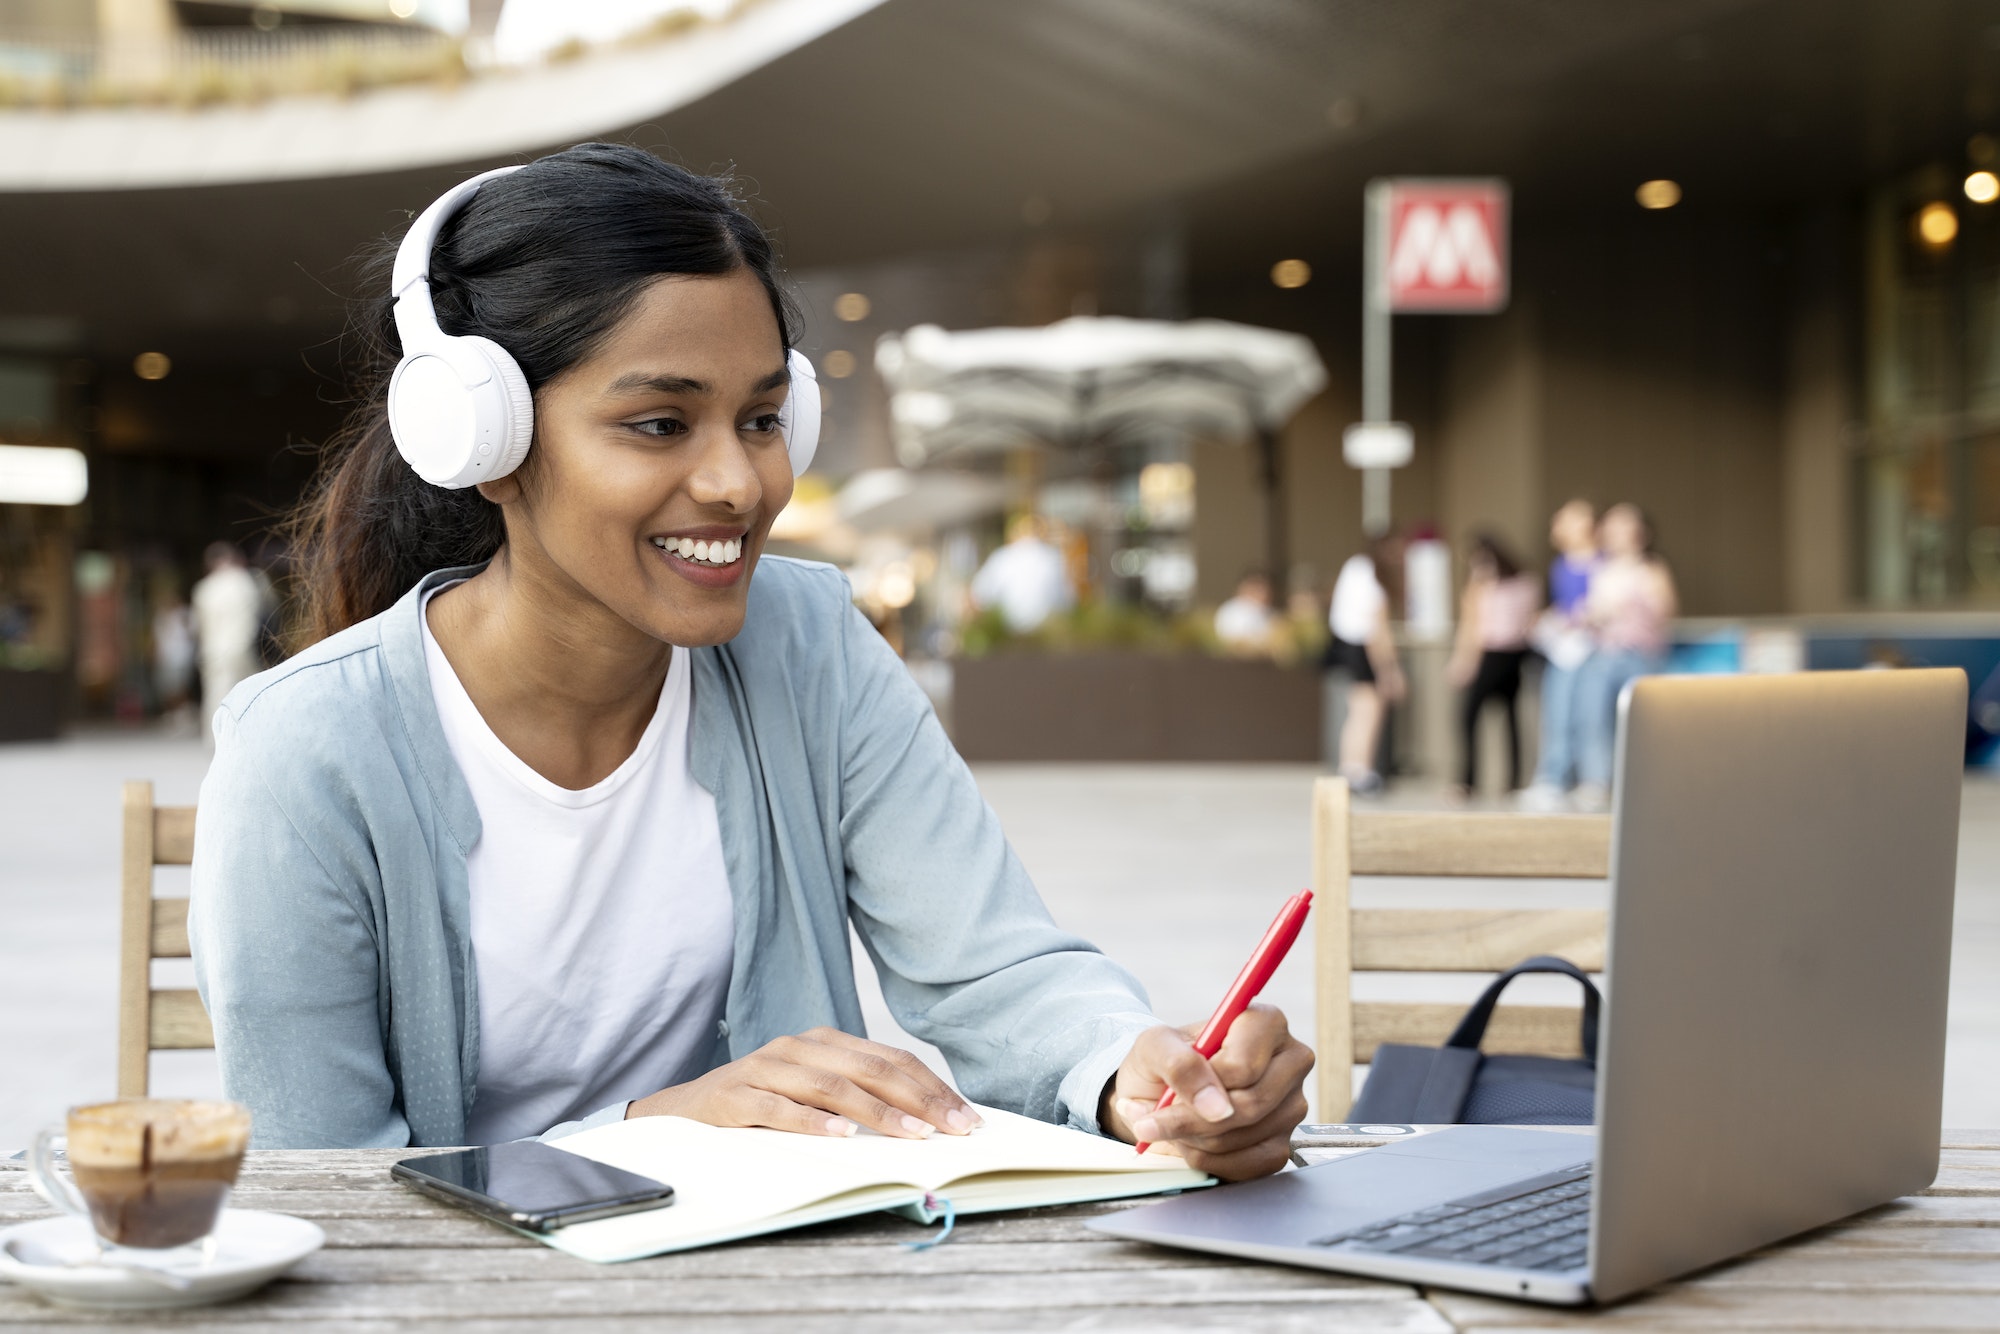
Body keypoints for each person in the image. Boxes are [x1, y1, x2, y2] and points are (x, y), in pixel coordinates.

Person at [188, 145, 1310, 1180]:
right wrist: (644, 1136)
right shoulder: (304, 752)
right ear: (482, 440)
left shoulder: (812, 640)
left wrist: (1135, 1073)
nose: (738, 483)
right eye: (661, 424)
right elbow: (319, 1176)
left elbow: (991, 966)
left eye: (763, 417)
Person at [1571, 503, 1677, 811]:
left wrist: (1633, 603)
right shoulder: (1602, 570)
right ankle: (1598, 782)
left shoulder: (1651, 569)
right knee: (1595, 721)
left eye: (1623, 525)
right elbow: (1588, 611)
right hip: (1604, 654)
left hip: (1640, 655)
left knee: (1644, 724)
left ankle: (1646, 781)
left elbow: (1666, 609)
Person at [1519, 500, 1600, 811]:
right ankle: (1553, 778)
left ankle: (1591, 780)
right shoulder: (1561, 565)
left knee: (1590, 718)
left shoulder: (1604, 564)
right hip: (1563, 651)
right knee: (1558, 715)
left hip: (1593, 652)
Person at [1445, 532, 1540, 796]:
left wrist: (1463, 662)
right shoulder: (1527, 583)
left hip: (1491, 655)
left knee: (1470, 717)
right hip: (1515, 656)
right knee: (1511, 720)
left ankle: (1468, 781)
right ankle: (1513, 780)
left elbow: (1472, 628)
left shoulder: (1482, 587)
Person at [1326, 536, 1404, 795]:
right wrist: (1390, 671)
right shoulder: (1372, 577)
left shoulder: (1354, 567)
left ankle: (1350, 767)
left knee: (1357, 712)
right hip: (1363, 648)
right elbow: (1377, 632)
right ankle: (1361, 770)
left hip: (1346, 645)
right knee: (1369, 712)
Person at [190, 541, 266, 743]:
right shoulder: (244, 581)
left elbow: (200, 625)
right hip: (239, 646)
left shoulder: (204, 588)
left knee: (215, 692)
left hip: (213, 649)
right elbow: (254, 616)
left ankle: (214, 737)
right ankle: (249, 736)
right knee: (249, 692)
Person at [969, 513, 1074, 634]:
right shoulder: (1054, 557)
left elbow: (978, 596)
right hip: (1048, 634)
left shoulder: (1002, 557)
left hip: (1010, 635)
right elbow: (1068, 602)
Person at [1213, 569, 1277, 654]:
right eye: (1259, 589)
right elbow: (1233, 640)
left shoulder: (1270, 612)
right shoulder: (1231, 610)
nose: (1264, 593)